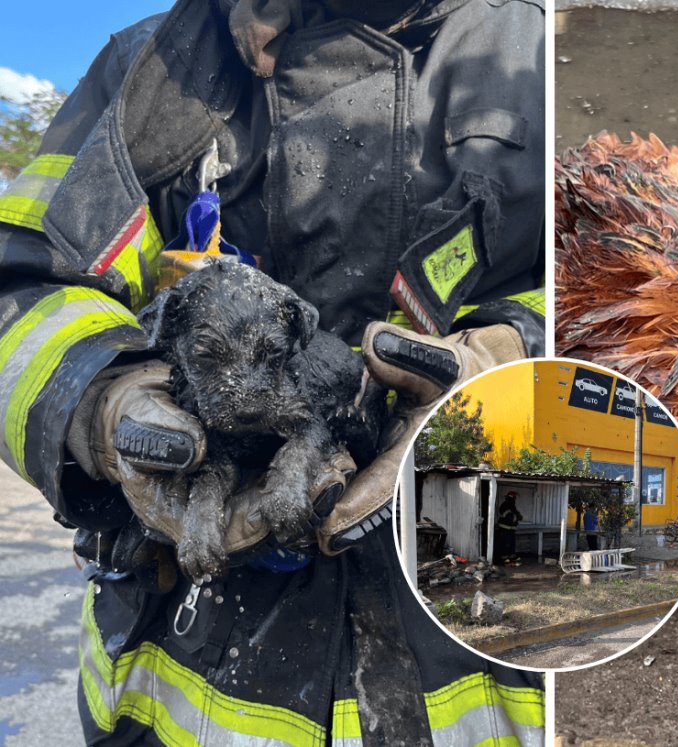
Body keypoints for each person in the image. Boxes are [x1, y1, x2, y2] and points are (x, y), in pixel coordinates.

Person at [0, 0, 545, 743]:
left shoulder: (535, 56)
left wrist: (509, 362)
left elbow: (620, 295)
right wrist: (100, 393)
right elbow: (22, 286)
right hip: (180, 678)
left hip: (471, 673)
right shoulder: (152, 73)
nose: (262, 37)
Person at [495, 491, 523, 563]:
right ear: (512, 497)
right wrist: (515, 517)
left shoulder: (511, 505)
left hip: (510, 528)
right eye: (515, 497)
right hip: (505, 528)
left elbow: (515, 513)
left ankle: (511, 556)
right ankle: (504, 557)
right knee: (505, 543)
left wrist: (518, 515)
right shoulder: (506, 505)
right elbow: (505, 515)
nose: (515, 499)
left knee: (510, 542)